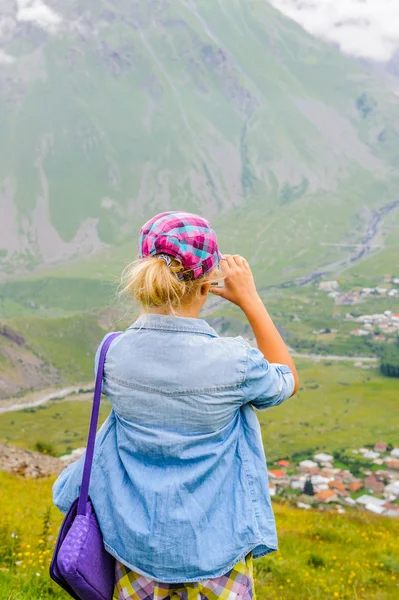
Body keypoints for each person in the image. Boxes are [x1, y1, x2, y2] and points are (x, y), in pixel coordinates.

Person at [53, 211, 299, 600]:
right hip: (215, 551)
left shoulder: (112, 354)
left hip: (133, 548)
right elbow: (286, 380)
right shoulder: (235, 362)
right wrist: (250, 300)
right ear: (207, 283)